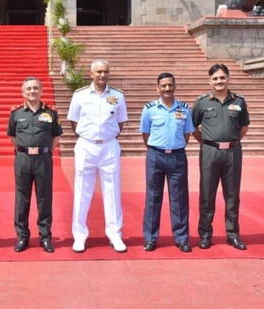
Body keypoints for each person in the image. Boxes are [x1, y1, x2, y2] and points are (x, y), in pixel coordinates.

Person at [67, 59, 129, 253]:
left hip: (109, 147)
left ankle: (114, 234)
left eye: (106, 72)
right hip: (86, 145)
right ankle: (79, 235)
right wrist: (89, 136)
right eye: (99, 72)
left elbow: (120, 123)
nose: (103, 75)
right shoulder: (80, 95)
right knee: (82, 191)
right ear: (91, 74)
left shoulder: (118, 96)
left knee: (112, 192)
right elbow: (74, 123)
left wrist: (106, 136)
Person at [191, 63, 250, 250]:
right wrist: (209, 142)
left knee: (232, 196)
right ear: (210, 81)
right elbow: (193, 127)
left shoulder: (239, 101)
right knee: (207, 195)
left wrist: (230, 141)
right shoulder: (202, 102)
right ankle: (205, 234)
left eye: (222, 77)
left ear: (228, 78)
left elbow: (244, 127)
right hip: (210, 152)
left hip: (232, 152)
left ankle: (232, 235)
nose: (219, 81)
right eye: (215, 78)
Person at [139, 72, 194, 253]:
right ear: (158, 88)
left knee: (179, 199)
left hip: (178, 156)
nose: (167, 88)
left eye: (170, 85)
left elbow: (187, 135)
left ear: (175, 86)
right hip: (155, 155)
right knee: (153, 198)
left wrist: (175, 147)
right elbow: (145, 134)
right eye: (163, 86)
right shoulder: (149, 108)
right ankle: (150, 238)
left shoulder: (184, 108)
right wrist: (158, 149)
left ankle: (181, 238)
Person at [7, 77, 63, 253]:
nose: (32, 91)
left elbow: (55, 137)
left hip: (43, 159)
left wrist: (46, 151)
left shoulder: (51, 113)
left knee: (44, 198)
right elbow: (12, 136)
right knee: (22, 198)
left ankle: (45, 236)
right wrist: (23, 150)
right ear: (23, 92)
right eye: (29, 89)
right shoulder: (16, 113)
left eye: (35, 88)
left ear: (41, 91)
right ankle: (22, 236)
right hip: (23, 158)